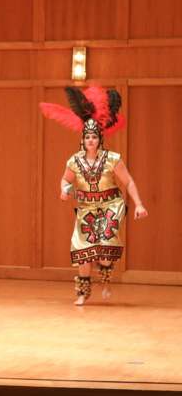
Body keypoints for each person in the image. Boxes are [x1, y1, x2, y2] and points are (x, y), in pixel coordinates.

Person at [40, 86, 148, 305]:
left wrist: (138, 204)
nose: (90, 140)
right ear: (83, 138)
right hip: (86, 209)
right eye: (87, 136)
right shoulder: (74, 161)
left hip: (110, 206)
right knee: (84, 251)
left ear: (100, 138)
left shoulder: (112, 159)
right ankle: (82, 293)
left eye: (94, 136)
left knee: (105, 252)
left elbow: (128, 181)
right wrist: (63, 189)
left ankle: (105, 274)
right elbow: (65, 180)